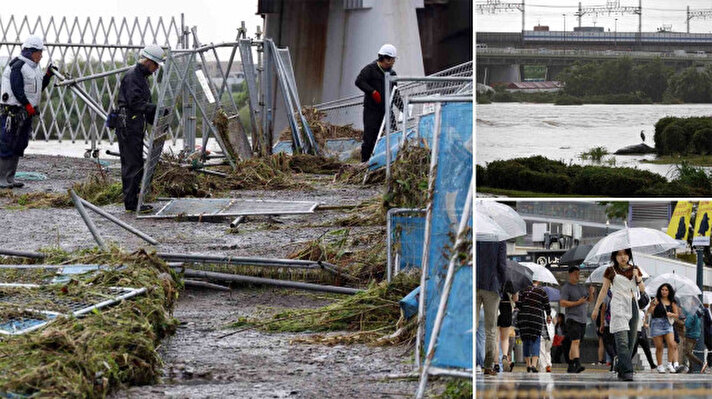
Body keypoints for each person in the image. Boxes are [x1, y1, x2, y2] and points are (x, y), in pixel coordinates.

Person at [116, 44, 165, 213]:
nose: (156, 68)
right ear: (148, 61)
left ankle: (135, 199)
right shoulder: (133, 77)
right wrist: (156, 109)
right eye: (155, 65)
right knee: (132, 164)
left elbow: (141, 104)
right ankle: (131, 203)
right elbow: (136, 103)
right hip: (127, 125)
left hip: (133, 123)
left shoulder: (140, 77)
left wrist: (156, 117)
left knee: (135, 162)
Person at [0, 35, 54, 189]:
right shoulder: (18, 65)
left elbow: (38, 88)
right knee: (7, 144)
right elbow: (16, 88)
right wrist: (27, 105)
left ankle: (10, 178)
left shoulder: (34, 68)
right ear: (31, 52)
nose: (41, 55)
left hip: (25, 112)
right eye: (39, 52)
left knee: (19, 144)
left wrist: (48, 75)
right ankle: (2, 178)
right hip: (13, 112)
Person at [591, 249, 646, 381]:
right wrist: (596, 308)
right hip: (618, 304)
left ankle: (620, 366)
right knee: (622, 341)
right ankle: (627, 371)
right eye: (619, 254)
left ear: (629, 255)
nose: (623, 257)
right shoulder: (610, 271)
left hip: (633, 305)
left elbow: (643, 290)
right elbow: (604, 290)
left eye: (625, 254)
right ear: (615, 257)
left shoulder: (635, 269)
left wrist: (638, 279)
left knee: (631, 342)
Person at [354, 43, 400, 162]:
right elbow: (359, 81)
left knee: (393, 133)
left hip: (386, 110)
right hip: (372, 110)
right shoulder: (370, 69)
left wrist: (403, 108)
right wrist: (372, 92)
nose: (393, 62)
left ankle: (391, 161)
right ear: (385, 58)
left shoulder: (392, 74)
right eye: (392, 60)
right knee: (370, 138)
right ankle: (365, 162)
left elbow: (395, 93)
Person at [475, 240, 507, 376]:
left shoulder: (475, 235)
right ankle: (488, 366)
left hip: (474, 283)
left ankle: (469, 362)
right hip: (492, 286)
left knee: (473, 326)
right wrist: (501, 285)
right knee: (490, 329)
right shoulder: (499, 239)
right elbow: (502, 265)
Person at [560, 264, 594, 373]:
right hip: (572, 319)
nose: (577, 276)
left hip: (583, 319)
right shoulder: (566, 288)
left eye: (579, 274)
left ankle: (570, 365)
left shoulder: (581, 287)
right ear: (570, 274)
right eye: (575, 274)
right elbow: (562, 303)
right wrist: (576, 303)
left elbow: (589, 300)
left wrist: (591, 293)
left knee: (576, 343)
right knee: (575, 341)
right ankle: (577, 363)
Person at [516, 280, 551, 373]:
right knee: (536, 340)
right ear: (538, 281)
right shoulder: (542, 292)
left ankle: (528, 364)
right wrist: (548, 315)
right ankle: (534, 365)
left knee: (526, 341)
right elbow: (547, 305)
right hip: (536, 319)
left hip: (523, 319)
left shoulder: (523, 290)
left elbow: (518, 304)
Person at [647, 283, 680, 373]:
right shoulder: (656, 300)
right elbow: (649, 312)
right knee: (659, 347)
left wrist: (671, 314)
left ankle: (669, 364)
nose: (664, 291)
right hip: (656, 324)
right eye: (662, 289)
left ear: (669, 292)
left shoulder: (672, 301)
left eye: (666, 290)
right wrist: (653, 305)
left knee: (672, 344)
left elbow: (677, 315)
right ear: (660, 291)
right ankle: (660, 365)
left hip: (667, 324)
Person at [680, 304, 705, 373]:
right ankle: (691, 369)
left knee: (687, 352)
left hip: (690, 335)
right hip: (696, 334)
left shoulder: (691, 314)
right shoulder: (697, 314)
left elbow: (687, 325)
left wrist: (684, 322)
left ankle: (700, 363)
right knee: (689, 352)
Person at [497, 290, 517, 372]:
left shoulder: (495, 278)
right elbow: (516, 298)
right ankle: (505, 356)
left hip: (495, 305)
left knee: (496, 339)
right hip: (507, 306)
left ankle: (496, 363)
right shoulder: (512, 280)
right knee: (505, 338)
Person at [599, 288, 618, 372]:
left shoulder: (607, 294)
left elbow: (603, 309)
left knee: (607, 343)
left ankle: (614, 357)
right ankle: (614, 364)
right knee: (614, 343)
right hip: (618, 323)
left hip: (608, 322)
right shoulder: (620, 293)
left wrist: (602, 323)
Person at [538, 308, 555, 372]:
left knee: (542, 351)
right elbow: (555, 321)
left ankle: (543, 366)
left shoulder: (538, 310)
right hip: (551, 334)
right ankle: (548, 365)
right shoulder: (552, 310)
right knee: (547, 350)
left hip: (541, 333)